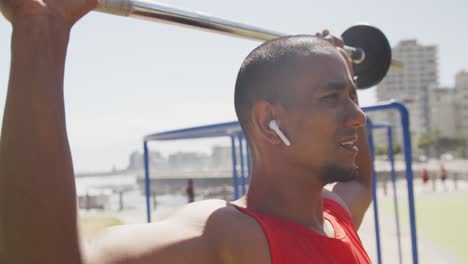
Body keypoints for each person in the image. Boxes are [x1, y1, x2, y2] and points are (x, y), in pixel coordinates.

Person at [0, 1, 373, 263]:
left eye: (352, 96)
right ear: (268, 123)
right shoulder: (230, 235)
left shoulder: (335, 216)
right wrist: (40, 29)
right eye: (332, 97)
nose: (358, 117)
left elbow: (362, 184)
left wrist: (344, 71)